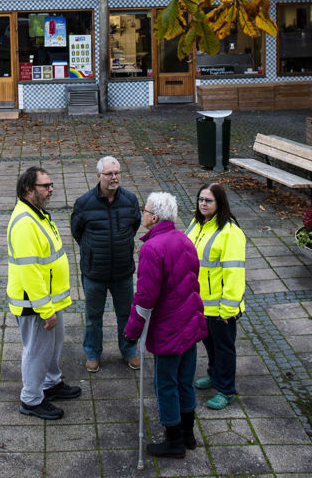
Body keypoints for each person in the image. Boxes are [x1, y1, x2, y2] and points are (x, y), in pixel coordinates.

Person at [123, 192, 206, 458]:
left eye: (144, 210)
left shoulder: (152, 248)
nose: (142, 213)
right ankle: (188, 434)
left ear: (154, 217)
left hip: (168, 328)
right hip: (189, 324)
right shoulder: (184, 239)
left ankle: (174, 441)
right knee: (185, 380)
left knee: (165, 384)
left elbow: (145, 298)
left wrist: (132, 331)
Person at [7, 166, 81, 420]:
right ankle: (31, 399)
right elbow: (30, 273)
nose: (51, 190)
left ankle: (51, 383)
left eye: (51, 185)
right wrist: (46, 310)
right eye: (45, 186)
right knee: (37, 351)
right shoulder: (25, 224)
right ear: (29, 189)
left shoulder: (38, 214)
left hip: (49, 301)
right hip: (36, 305)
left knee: (52, 345)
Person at [71, 156, 142, 373]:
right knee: (93, 317)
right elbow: (77, 232)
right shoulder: (84, 203)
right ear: (99, 176)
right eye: (109, 174)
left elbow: (135, 226)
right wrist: (93, 251)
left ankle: (129, 351)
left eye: (117, 173)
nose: (114, 177)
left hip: (122, 271)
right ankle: (93, 353)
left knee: (126, 315)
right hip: (95, 272)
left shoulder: (130, 200)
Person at [185, 183, 247, 410]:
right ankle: (214, 375)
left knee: (224, 348)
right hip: (200, 304)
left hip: (221, 307)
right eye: (200, 199)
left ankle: (226, 390)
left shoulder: (231, 233)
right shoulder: (196, 224)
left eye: (208, 200)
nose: (203, 203)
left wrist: (228, 310)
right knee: (210, 346)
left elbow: (234, 274)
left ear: (219, 203)